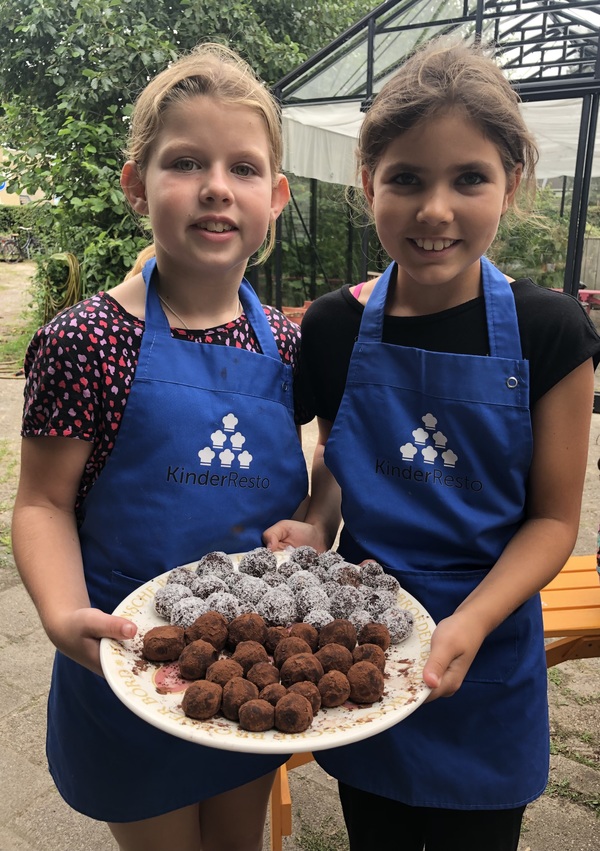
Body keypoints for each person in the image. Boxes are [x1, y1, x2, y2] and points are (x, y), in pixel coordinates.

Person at [264, 38, 600, 851]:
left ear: (511, 184)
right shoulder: (337, 326)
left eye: (469, 179)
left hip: (486, 647)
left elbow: (554, 521)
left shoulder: (550, 330)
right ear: (369, 182)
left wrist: (474, 621)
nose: (435, 209)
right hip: (363, 638)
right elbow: (338, 461)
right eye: (407, 178)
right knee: (375, 828)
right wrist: (313, 521)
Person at [11, 42, 311, 851]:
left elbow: (324, 477)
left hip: (254, 664)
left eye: (244, 168)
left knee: (239, 843)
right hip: (126, 668)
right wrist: (61, 610)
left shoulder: (288, 344)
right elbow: (41, 502)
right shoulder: (87, 342)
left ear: (275, 197)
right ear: (137, 183)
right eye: (186, 161)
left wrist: (320, 514)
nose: (218, 185)